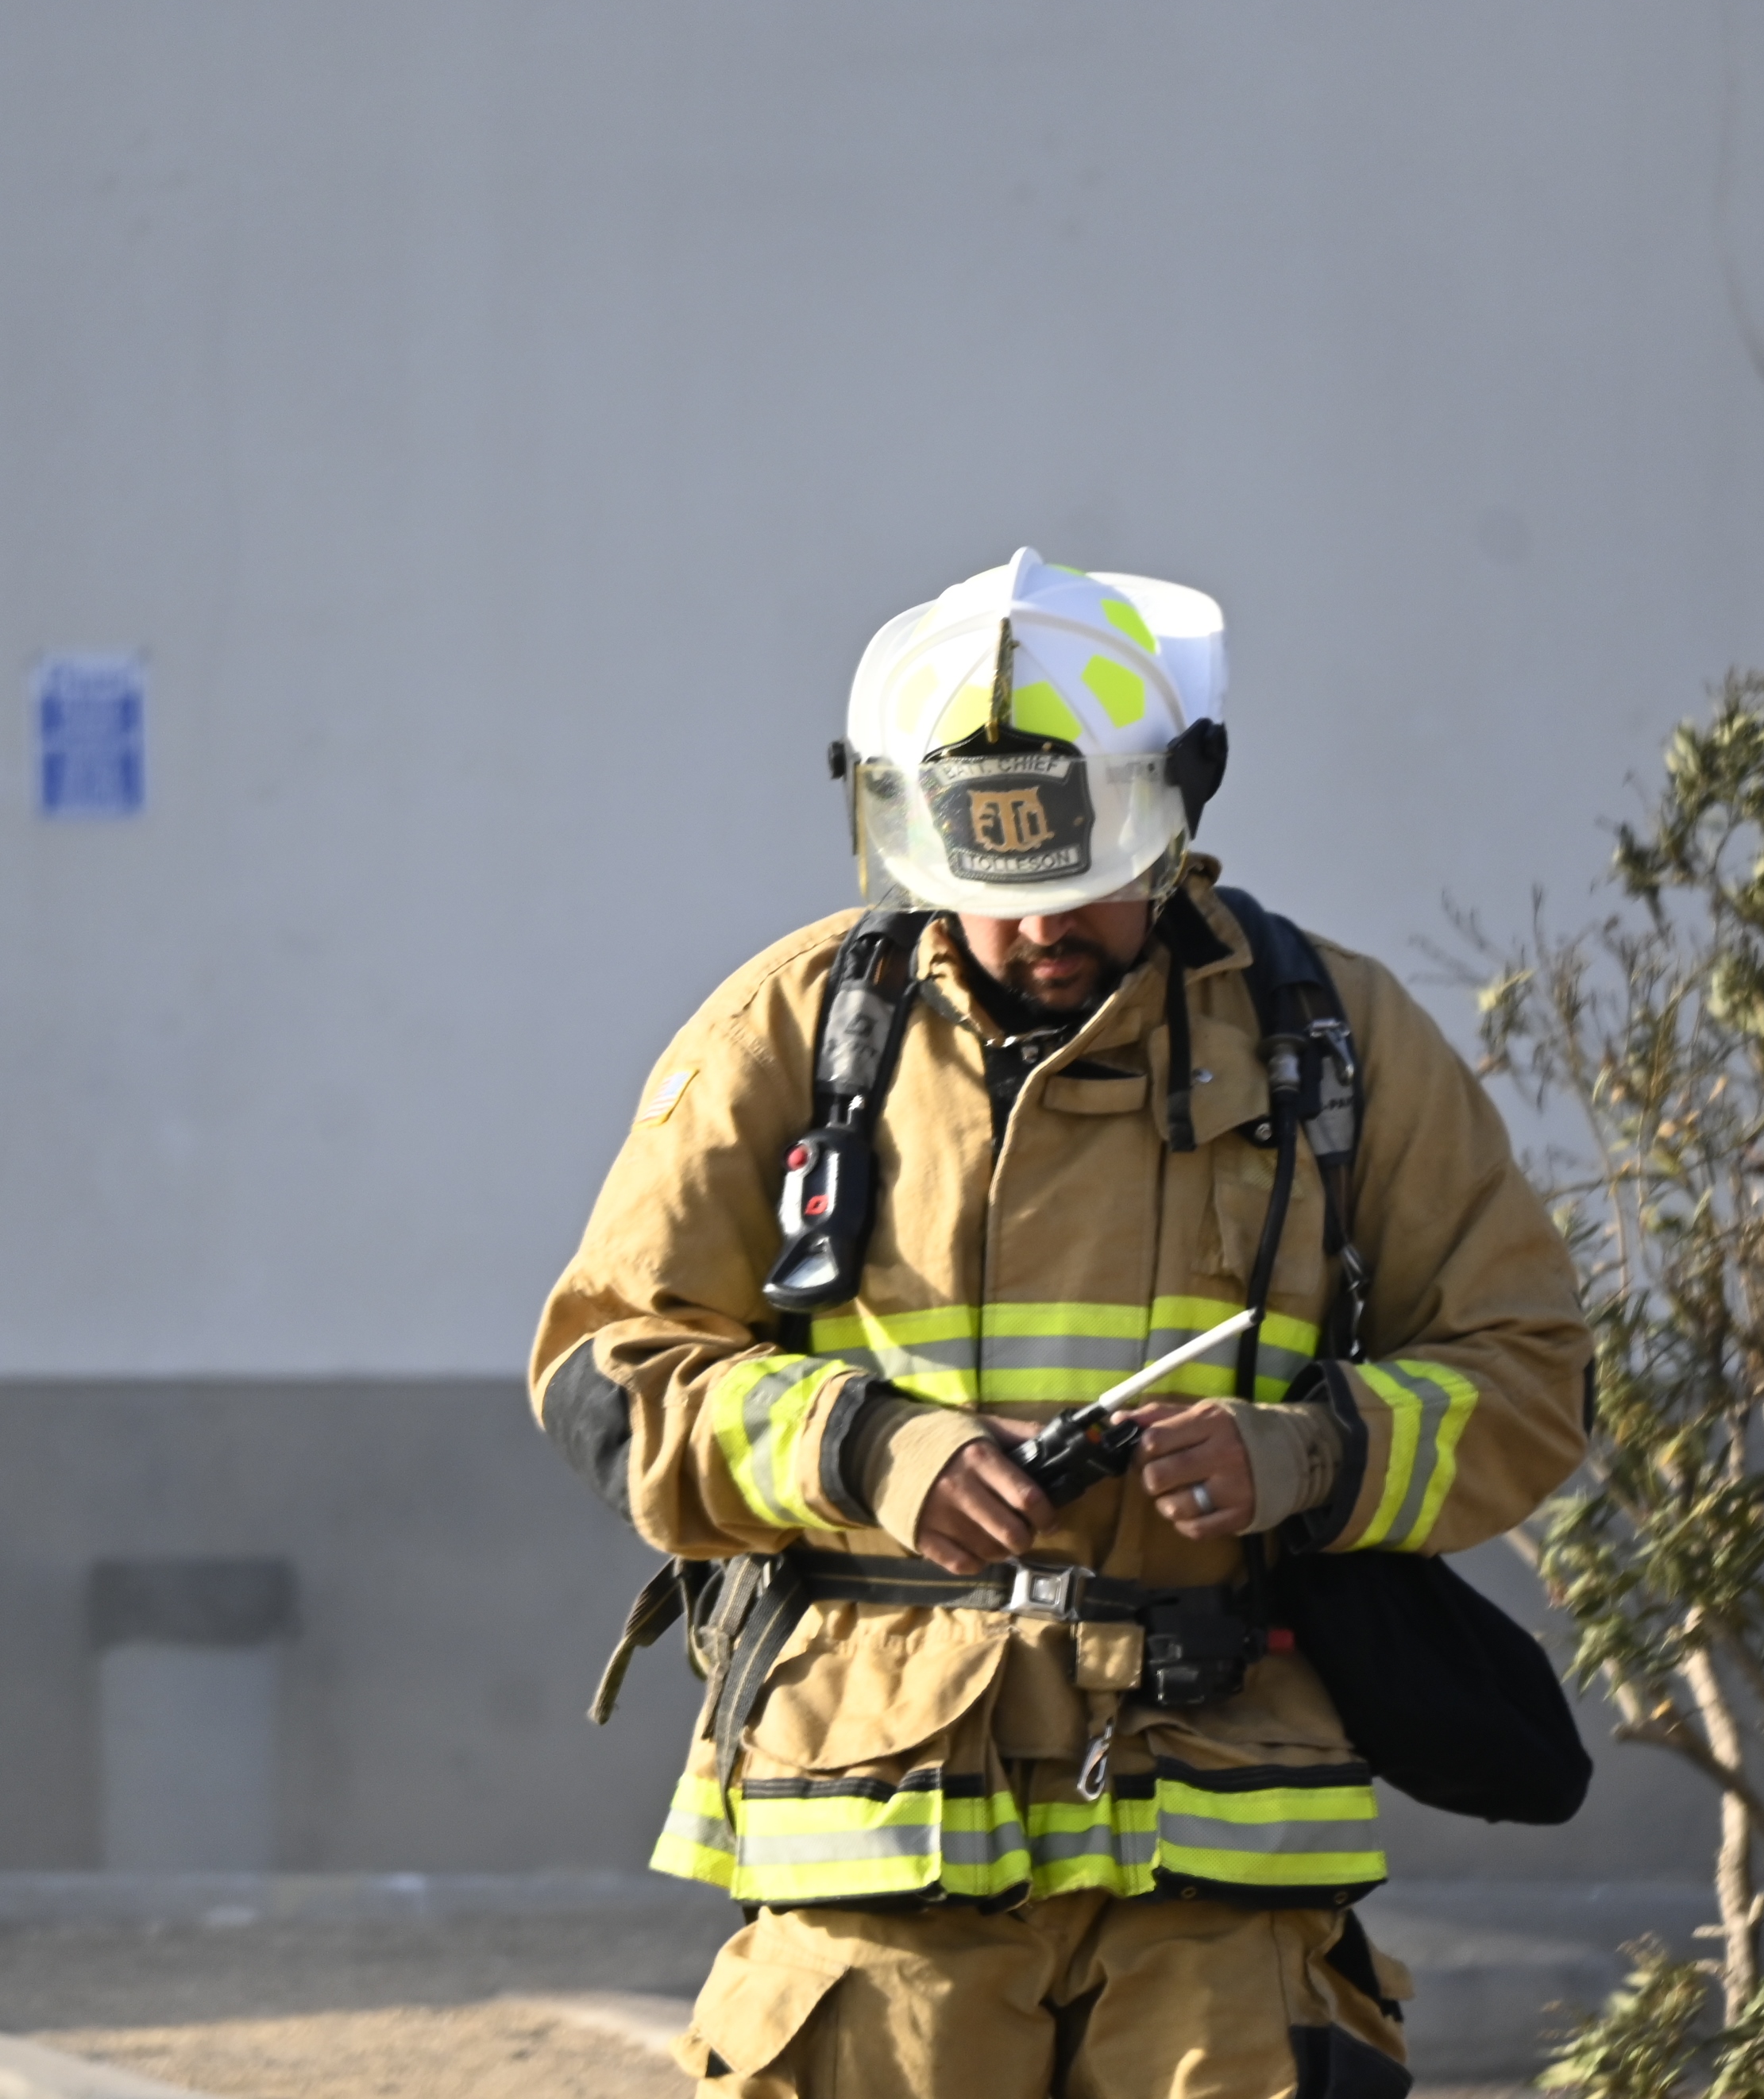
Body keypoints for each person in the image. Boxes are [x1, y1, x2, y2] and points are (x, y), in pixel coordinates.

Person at [530, 548, 1591, 2099]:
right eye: (991, 886)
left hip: (1225, 1832)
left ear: (1175, 819)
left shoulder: (1331, 1037)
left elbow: (1530, 1373)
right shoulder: (797, 1030)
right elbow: (605, 1374)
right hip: (878, 1822)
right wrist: (865, 1450)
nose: (1037, 927)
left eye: (1084, 877)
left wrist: (1305, 1457)